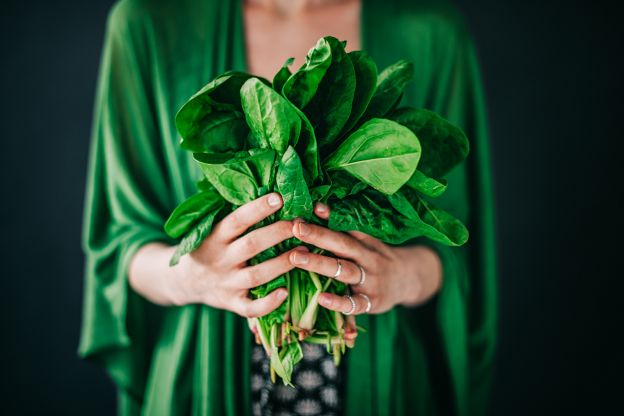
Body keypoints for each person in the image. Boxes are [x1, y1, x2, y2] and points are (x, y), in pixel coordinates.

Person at [78, 0, 497, 415]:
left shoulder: (432, 32)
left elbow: (458, 246)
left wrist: (401, 276)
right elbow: (120, 244)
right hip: (203, 380)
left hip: (384, 380)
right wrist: (193, 277)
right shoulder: (147, 23)